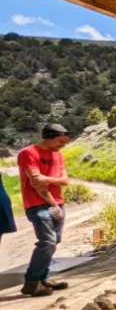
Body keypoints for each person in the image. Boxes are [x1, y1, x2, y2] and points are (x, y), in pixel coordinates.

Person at [17, 123, 72, 297]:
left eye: (64, 142)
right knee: (47, 241)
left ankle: (43, 277)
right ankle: (32, 282)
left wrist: (47, 179)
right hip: (37, 204)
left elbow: (64, 180)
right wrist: (53, 204)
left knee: (55, 240)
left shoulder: (58, 154)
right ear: (48, 137)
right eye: (59, 141)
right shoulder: (28, 153)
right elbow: (37, 184)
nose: (62, 145)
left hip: (57, 202)